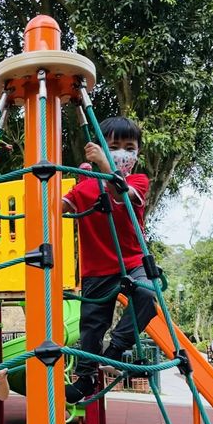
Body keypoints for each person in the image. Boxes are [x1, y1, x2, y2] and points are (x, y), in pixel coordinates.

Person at [62, 117, 157, 403]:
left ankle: (116, 349)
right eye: (114, 146)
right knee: (90, 326)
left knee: (147, 293)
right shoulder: (84, 187)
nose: (122, 152)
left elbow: (120, 194)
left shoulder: (138, 180)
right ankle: (86, 378)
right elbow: (60, 208)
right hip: (96, 269)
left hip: (132, 260)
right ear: (99, 146)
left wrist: (105, 162)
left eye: (130, 147)